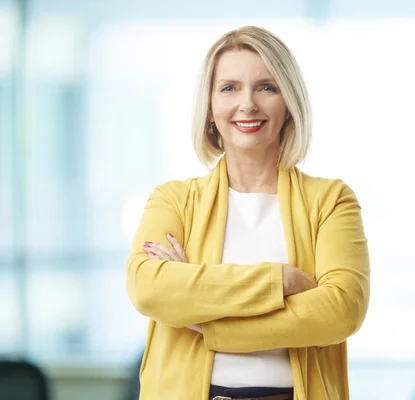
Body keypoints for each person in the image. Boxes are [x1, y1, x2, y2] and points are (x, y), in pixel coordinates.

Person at [126, 25, 370, 400]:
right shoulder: (172, 200)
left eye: (266, 87)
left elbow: (341, 311)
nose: (248, 104)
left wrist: (208, 321)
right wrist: (282, 282)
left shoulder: (331, 200)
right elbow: (149, 287)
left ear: (287, 103)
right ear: (209, 108)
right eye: (229, 88)